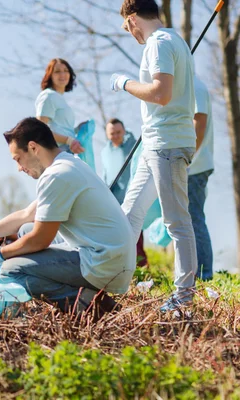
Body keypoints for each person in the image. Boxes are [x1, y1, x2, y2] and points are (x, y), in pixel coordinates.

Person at [0, 118, 136, 319]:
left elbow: (40, 240)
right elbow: (26, 215)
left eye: (18, 159)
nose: (19, 168)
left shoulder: (56, 175)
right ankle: (84, 296)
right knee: (25, 229)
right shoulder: (69, 163)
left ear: (33, 148)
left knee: (10, 270)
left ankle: (90, 305)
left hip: (105, 262)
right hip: (112, 255)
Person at [111, 0, 197, 312]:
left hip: (168, 144)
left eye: (126, 26)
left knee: (177, 222)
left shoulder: (158, 43)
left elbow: (161, 93)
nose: (128, 32)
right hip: (155, 144)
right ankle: (112, 281)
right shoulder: (176, 40)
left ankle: (183, 299)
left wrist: (124, 83)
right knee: (130, 214)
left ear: (132, 19)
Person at [101, 118, 149, 267]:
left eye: (118, 132)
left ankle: (141, 267)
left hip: (132, 196)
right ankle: (121, 267)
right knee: (118, 236)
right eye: (112, 133)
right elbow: (106, 174)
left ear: (124, 131)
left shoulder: (132, 144)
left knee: (136, 235)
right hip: (114, 201)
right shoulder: (105, 152)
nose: (115, 135)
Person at [189, 77, 214, 280]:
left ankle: (204, 274)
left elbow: (200, 124)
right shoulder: (189, 85)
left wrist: (186, 160)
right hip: (194, 165)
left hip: (194, 166)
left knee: (194, 219)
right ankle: (197, 273)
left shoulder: (195, 86)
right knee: (191, 220)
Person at [35, 58, 84, 154]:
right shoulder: (48, 96)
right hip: (56, 152)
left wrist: (77, 130)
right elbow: (40, 131)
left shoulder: (59, 98)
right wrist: (68, 140)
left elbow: (61, 128)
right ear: (50, 76)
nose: (62, 75)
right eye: (57, 72)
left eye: (66, 71)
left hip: (66, 150)